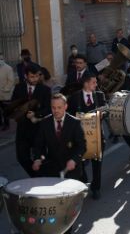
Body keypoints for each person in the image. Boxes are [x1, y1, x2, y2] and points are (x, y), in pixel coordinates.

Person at [32, 93, 86, 234]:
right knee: (53, 207)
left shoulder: (74, 123)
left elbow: (82, 146)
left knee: (67, 208)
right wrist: (38, 158)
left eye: (59, 107)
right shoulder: (45, 122)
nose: (56, 110)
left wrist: (74, 160)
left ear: (65, 107)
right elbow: (39, 146)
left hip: (71, 170)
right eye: (53, 107)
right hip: (52, 169)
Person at [67, 73, 107, 200]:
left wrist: (103, 114)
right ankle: (83, 179)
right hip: (79, 137)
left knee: (97, 163)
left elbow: (106, 110)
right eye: (94, 82)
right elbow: (68, 114)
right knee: (79, 161)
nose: (96, 85)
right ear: (86, 83)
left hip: (97, 135)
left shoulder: (99, 95)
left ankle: (96, 188)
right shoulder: (74, 97)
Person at [11, 64, 51, 177]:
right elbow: (13, 105)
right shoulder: (19, 88)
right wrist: (20, 111)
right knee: (22, 157)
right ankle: (36, 176)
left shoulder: (45, 90)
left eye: (37, 76)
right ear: (25, 76)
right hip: (23, 129)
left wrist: (36, 114)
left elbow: (48, 109)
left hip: (39, 129)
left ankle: (43, 179)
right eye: (32, 76)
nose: (35, 79)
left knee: (40, 158)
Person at [0, 54, 15, 130]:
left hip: (5, 94)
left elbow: (11, 81)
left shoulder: (8, 68)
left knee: (5, 110)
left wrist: (6, 89)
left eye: (1, 59)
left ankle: (7, 125)